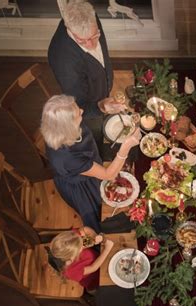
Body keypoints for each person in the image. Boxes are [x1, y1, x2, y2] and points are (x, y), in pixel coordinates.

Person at [41, 94, 141, 233]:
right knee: (101, 213)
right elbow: (107, 175)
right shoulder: (67, 157)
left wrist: (103, 106)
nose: (81, 111)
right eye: (78, 114)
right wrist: (126, 146)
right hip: (82, 186)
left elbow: (85, 111)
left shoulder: (61, 127)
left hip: (88, 162)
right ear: (68, 126)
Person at [48, 1, 123, 147]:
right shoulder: (63, 59)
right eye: (82, 41)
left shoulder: (89, 17)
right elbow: (79, 104)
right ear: (69, 28)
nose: (91, 45)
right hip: (89, 112)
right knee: (96, 142)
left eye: (95, 36)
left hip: (101, 92)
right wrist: (100, 107)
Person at [49, 226, 114, 291]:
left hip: (98, 256)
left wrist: (94, 237)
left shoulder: (70, 240)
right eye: (80, 247)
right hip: (95, 278)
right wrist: (107, 249)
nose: (83, 244)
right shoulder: (71, 272)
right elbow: (93, 267)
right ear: (71, 259)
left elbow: (85, 229)